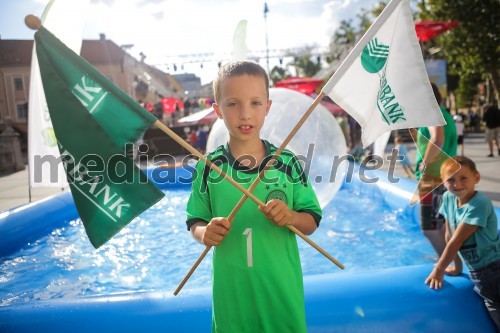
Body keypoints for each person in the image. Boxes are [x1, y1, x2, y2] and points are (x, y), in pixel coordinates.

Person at [185, 61, 322, 332]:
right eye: (233, 104)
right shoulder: (208, 167)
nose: (245, 114)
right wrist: (205, 233)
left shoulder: (287, 162)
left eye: (255, 103)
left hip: (280, 291)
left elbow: (312, 221)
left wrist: (291, 217)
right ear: (218, 111)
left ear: (268, 107)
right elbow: (195, 221)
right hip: (231, 296)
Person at [425, 156, 500, 330]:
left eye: (463, 178)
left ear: (477, 178)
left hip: (494, 267)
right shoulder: (448, 198)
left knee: (495, 305)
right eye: (450, 180)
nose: (457, 184)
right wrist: (457, 267)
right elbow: (449, 234)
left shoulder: (479, 203)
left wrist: (439, 269)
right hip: (478, 271)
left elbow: (457, 240)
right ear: (443, 182)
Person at [414, 83, 457, 259]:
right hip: (446, 176)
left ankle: (445, 262)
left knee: (429, 230)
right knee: (440, 226)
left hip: (433, 178)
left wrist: (425, 162)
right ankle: (449, 259)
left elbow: (438, 139)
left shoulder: (431, 114)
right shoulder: (445, 114)